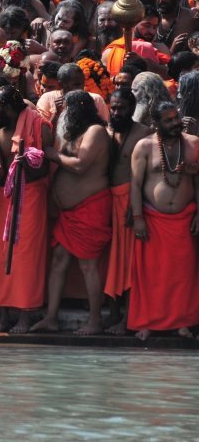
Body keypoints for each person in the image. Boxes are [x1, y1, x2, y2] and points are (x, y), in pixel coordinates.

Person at [0, 85, 53, 333]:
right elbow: (0, 176)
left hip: (32, 195)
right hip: (6, 195)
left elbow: (45, 170)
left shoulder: (39, 126)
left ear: (10, 109)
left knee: (26, 257)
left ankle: (25, 317)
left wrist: (27, 163)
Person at [31, 91, 112, 335]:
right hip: (68, 213)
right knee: (58, 261)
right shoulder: (73, 133)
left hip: (91, 207)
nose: (64, 113)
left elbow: (80, 165)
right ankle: (51, 318)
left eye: (66, 109)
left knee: (88, 265)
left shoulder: (96, 132)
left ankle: (95, 320)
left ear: (76, 109)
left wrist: (51, 153)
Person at [127, 101, 199, 340]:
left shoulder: (193, 144)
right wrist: (138, 218)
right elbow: (135, 186)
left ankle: (182, 323)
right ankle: (146, 323)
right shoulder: (144, 146)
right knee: (150, 275)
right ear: (155, 124)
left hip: (184, 220)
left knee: (183, 274)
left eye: (176, 118)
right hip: (152, 220)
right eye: (168, 120)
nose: (175, 123)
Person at [103, 88, 151, 334]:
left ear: (131, 108)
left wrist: (137, 206)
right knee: (109, 262)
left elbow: (149, 175)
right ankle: (112, 315)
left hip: (130, 203)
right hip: (105, 202)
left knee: (128, 263)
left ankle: (128, 319)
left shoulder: (145, 134)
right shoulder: (104, 131)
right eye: (113, 107)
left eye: (121, 107)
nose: (116, 112)